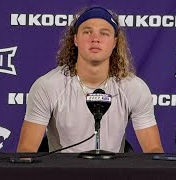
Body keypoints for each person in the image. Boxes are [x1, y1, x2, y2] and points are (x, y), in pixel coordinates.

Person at [17, 6, 164, 153]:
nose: (95, 39)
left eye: (104, 33)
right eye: (87, 32)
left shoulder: (134, 88)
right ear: (75, 39)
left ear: (114, 43)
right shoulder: (48, 86)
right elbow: (26, 151)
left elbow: (154, 150)